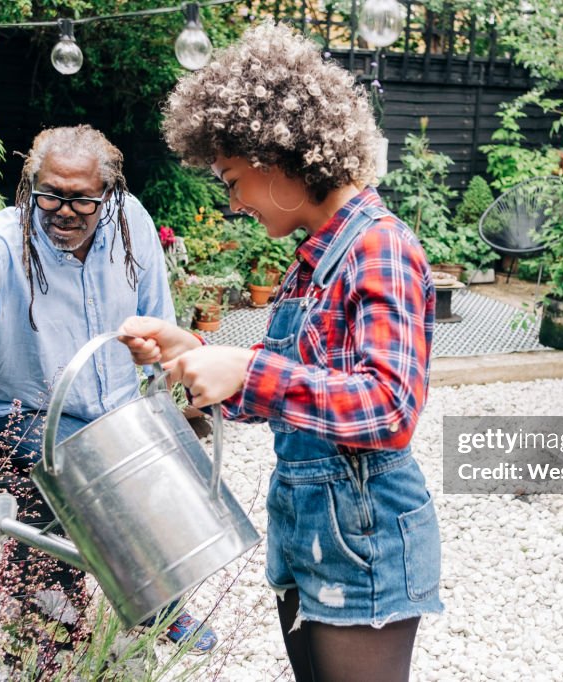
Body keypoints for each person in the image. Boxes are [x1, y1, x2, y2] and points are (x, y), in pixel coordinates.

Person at [119, 22, 442, 681]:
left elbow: (390, 408)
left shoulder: (380, 247)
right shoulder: (310, 263)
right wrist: (194, 353)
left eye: (233, 179)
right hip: (307, 533)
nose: (232, 203)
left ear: (281, 158)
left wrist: (247, 369)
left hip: (366, 542)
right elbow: (283, 393)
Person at [0, 124, 216, 653]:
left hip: (113, 400)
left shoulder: (131, 221)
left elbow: (158, 314)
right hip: (21, 408)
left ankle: (154, 595)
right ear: (31, 187)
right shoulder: (5, 237)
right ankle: (117, 615)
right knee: (95, 467)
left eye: (81, 199)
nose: (63, 210)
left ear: (109, 193)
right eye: (50, 194)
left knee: (166, 475)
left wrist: (171, 376)